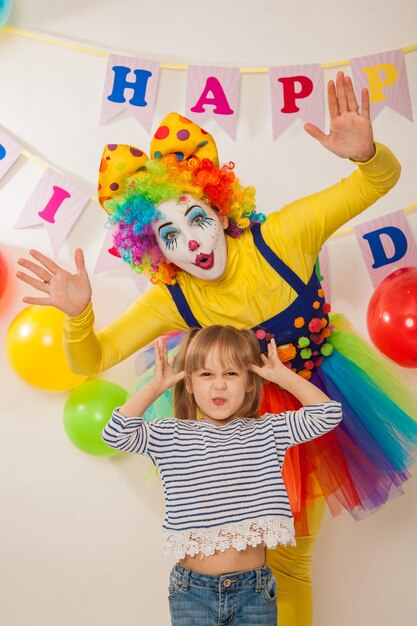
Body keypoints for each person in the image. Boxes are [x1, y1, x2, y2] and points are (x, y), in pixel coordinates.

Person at [16, 71, 417, 626]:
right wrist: (80, 314)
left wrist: (367, 155)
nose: (194, 243)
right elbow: (92, 360)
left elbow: (376, 184)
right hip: (231, 423)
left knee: (293, 564)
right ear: (155, 252)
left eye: (196, 216)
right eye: (169, 236)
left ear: (221, 206)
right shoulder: (172, 298)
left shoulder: (284, 235)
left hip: (312, 400)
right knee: (256, 562)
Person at [102, 325, 343, 626]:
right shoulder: (170, 434)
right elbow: (115, 435)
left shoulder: (267, 431)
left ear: (250, 383)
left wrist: (281, 376)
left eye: (231, 374)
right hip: (192, 591)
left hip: (253, 591)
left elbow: (327, 414)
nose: (219, 386)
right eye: (206, 374)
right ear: (188, 383)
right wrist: (154, 388)